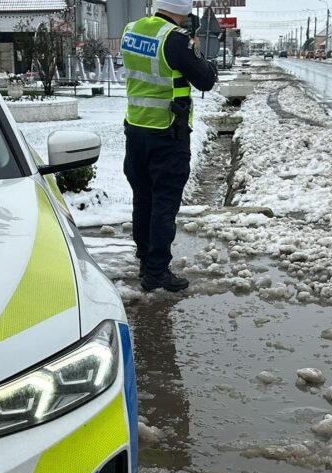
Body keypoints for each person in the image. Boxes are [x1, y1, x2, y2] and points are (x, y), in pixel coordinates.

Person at [121, 0, 218, 292]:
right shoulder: (175, 40)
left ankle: (145, 260)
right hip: (167, 133)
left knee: (143, 199)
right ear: (183, 8)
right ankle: (156, 271)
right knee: (164, 203)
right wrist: (199, 53)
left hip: (135, 129)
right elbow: (206, 80)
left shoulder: (131, 30)